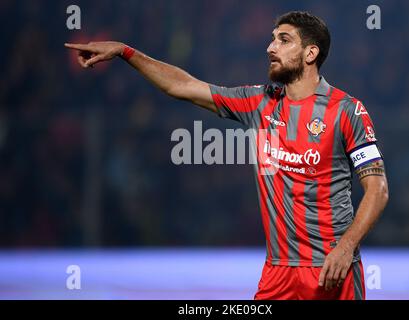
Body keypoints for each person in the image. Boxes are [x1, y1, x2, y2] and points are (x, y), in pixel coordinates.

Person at [65, 11, 389, 300]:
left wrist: (346, 248)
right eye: (272, 39)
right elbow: (183, 86)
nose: (270, 47)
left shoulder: (347, 111)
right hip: (278, 273)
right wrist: (125, 52)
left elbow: (378, 189)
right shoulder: (260, 102)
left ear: (310, 53)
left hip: (333, 269)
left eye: (283, 40)